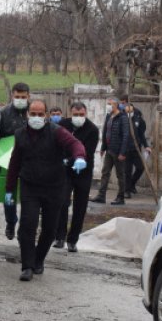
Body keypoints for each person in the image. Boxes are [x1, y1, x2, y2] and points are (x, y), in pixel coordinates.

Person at [4, 100, 87, 282]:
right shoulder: (20, 134)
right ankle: (27, 266)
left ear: (47, 116)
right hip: (30, 186)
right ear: (27, 114)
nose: (36, 117)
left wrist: (79, 156)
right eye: (33, 113)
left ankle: (39, 259)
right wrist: (9, 190)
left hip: (54, 186)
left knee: (50, 228)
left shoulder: (56, 132)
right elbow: (14, 163)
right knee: (28, 224)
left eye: (40, 114)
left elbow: (75, 144)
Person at [54, 102, 100, 252]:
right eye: (75, 114)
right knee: (62, 202)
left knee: (80, 206)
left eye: (81, 115)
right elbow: (58, 145)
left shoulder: (92, 129)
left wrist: (70, 160)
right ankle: (60, 237)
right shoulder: (62, 125)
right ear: (70, 113)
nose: (78, 117)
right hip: (65, 171)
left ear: (85, 114)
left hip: (83, 171)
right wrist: (63, 161)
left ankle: (73, 240)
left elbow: (87, 151)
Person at [0, 82, 31, 240]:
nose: (20, 99)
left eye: (23, 97)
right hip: (9, 161)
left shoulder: (34, 112)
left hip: (30, 161)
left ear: (28, 96)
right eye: (17, 97)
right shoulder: (4, 113)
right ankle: (11, 222)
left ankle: (25, 229)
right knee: (9, 196)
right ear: (12, 95)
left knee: (28, 198)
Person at [91, 96, 130, 205]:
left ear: (116, 105)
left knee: (120, 174)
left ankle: (121, 197)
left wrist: (122, 152)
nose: (108, 106)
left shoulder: (123, 117)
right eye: (107, 104)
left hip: (118, 151)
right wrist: (103, 147)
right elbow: (105, 132)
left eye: (110, 104)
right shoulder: (109, 116)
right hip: (109, 149)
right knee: (105, 172)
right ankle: (101, 196)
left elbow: (126, 135)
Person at [123, 103, 151, 198]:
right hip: (126, 149)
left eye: (131, 111)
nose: (129, 113)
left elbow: (141, 134)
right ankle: (126, 191)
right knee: (127, 170)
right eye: (127, 111)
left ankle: (131, 184)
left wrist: (146, 146)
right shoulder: (122, 118)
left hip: (136, 148)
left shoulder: (138, 118)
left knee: (140, 167)